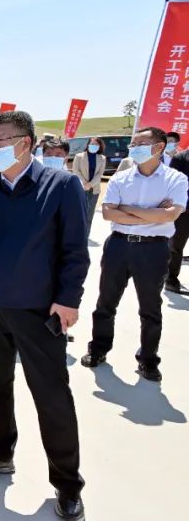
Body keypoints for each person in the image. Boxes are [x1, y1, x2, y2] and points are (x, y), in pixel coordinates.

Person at [0, 110, 88, 521]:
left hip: (38, 309)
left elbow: (75, 249)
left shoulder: (60, 185)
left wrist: (68, 299)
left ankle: (67, 483)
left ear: (25, 143)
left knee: (51, 395)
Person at [80, 127, 187, 381]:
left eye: (140, 143)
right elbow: (109, 213)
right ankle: (98, 349)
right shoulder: (121, 178)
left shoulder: (175, 179)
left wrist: (127, 209)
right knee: (106, 303)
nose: (134, 148)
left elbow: (171, 214)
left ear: (159, 147)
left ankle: (148, 360)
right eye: (133, 144)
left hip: (153, 249)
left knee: (150, 308)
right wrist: (152, 213)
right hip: (118, 245)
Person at [72, 137, 107, 236]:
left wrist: (90, 184)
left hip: (94, 189)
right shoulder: (79, 156)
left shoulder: (102, 158)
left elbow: (100, 173)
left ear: (99, 146)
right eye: (92, 144)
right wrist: (84, 183)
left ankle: (85, 234)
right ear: (88, 145)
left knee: (89, 213)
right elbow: (76, 170)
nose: (93, 146)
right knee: (78, 212)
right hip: (80, 187)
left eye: (96, 144)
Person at [166, 141, 189, 294]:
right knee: (176, 246)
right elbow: (173, 184)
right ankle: (170, 279)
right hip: (184, 210)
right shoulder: (180, 158)